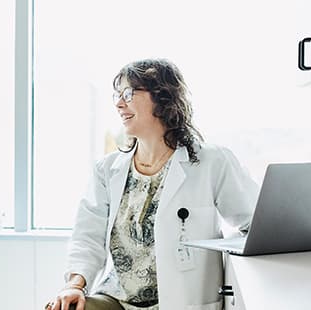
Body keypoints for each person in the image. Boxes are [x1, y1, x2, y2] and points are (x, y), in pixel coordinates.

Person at [46, 58, 259, 310]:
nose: (118, 103)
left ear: (162, 97)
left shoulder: (211, 161)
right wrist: (75, 285)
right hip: (117, 298)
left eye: (128, 93)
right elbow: (87, 236)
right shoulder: (107, 170)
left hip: (180, 302)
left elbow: (255, 221)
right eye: (116, 95)